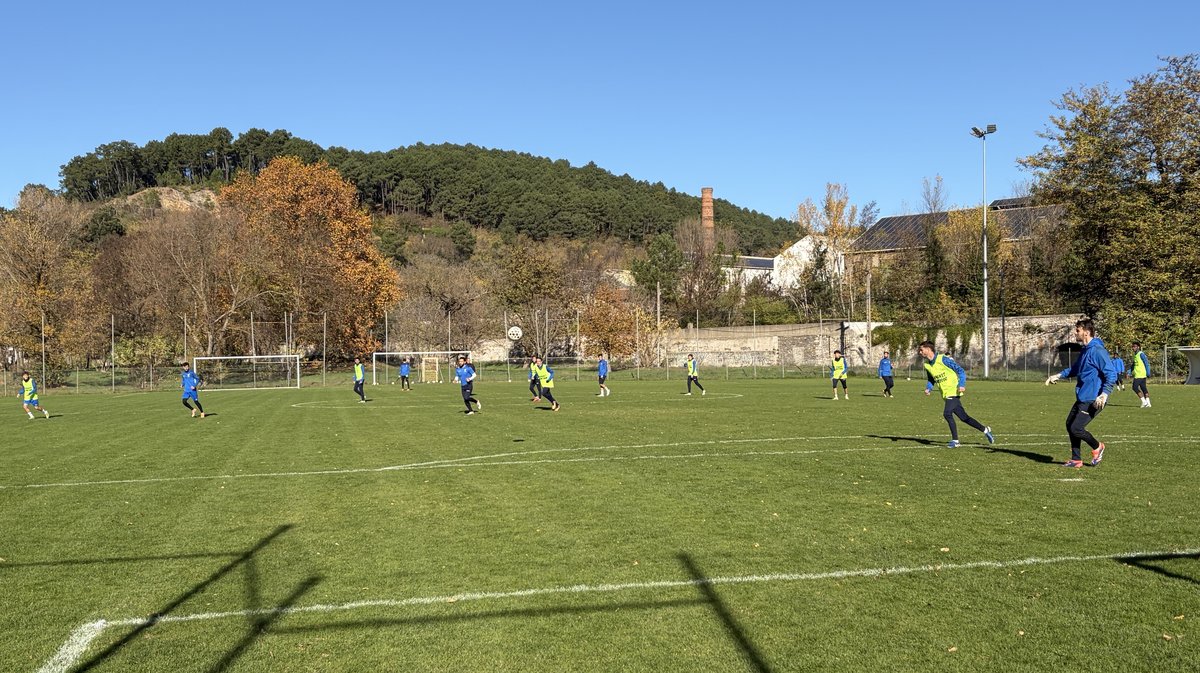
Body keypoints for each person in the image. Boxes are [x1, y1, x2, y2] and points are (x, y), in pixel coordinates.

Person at [1046, 318, 1116, 467]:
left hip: (1094, 399)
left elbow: (1111, 373)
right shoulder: (1085, 350)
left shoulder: (1097, 351)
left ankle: (1098, 447)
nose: (1075, 333)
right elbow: (1075, 369)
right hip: (1083, 396)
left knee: (1076, 428)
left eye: (1078, 330)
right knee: (1069, 424)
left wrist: (1104, 394)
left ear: (1087, 332)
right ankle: (1076, 459)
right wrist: (1058, 375)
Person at [919, 341, 994, 448]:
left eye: (921, 349)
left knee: (947, 414)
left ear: (928, 349)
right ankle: (985, 430)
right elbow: (931, 379)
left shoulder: (943, 359)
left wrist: (961, 384)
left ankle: (955, 441)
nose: (920, 352)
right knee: (964, 418)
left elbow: (960, 371)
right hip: (945, 395)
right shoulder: (927, 365)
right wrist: (929, 388)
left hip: (953, 391)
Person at [1130, 341, 1152, 408]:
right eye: (1132, 346)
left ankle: (1144, 402)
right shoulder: (1135, 355)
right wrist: (1129, 371)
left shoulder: (1141, 354)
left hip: (1140, 374)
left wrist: (1148, 372)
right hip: (1139, 374)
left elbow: (1146, 363)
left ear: (1138, 347)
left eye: (1134, 346)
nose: (1133, 348)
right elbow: (1134, 365)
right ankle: (1148, 403)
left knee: (1134, 387)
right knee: (1144, 388)